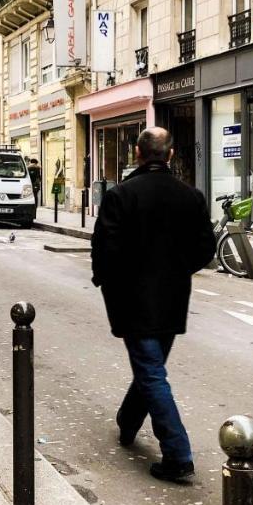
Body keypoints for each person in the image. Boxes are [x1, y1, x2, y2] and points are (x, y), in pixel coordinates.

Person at [90, 127, 215, 483]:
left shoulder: (121, 196)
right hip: (173, 298)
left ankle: (178, 454)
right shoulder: (191, 197)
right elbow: (205, 249)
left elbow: (105, 250)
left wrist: (110, 282)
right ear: (171, 155)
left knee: (151, 371)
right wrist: (177, 270)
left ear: (139, 155)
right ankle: (128, 422)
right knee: (151, 367)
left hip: (133, 299)